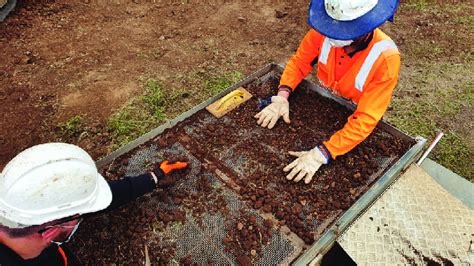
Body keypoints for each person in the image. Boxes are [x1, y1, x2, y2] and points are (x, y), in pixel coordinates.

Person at [255, 0, 401, 184]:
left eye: (344, 29)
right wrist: (281, 97)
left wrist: (321, 154)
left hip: (354, 115)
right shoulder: (324, 31)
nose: (334, 34)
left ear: (365, 26)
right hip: (325, 99)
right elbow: (299, 62)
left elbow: (366, 118)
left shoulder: (386, 59)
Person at [0, 142, 188, 265]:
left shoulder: (15, 206)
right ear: (51, 231)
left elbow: (91, 202)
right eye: (77, 218)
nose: (80, 219)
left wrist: (153, 177)